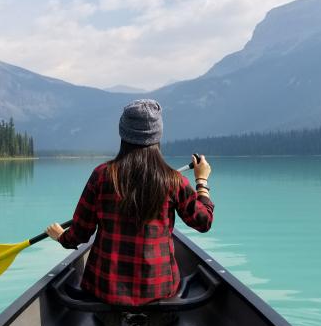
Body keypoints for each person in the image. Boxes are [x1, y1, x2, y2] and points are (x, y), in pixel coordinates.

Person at [46, 99, 213, 307]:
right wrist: (202, 181)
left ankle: (110, 320)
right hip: (160, 289)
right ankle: (158, 319)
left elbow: (80, 233)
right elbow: (203, 222)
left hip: (105, 288)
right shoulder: (173, 181)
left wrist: (62, 236)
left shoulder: (102, 176)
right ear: (157, 135)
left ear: (123, 134)